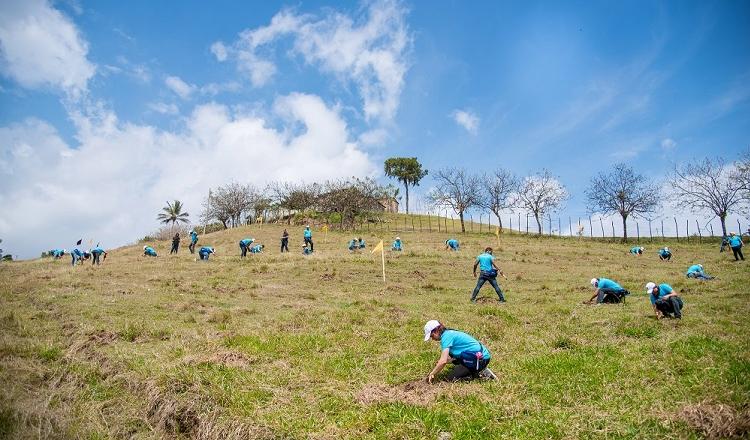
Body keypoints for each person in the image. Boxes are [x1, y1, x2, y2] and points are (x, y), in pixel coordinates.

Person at [424, 320, 497, 383]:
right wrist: (439, 364)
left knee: (451, 379)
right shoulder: (449, 333)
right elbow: (449, 358)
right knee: (454, 364)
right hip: (478, 356)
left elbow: (443, 361)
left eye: (432, 336)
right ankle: (477, 369)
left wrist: (432, 373)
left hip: (480, 358)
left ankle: (480, 375)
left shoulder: (446, 337)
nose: (432, 339)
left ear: (436, 330)